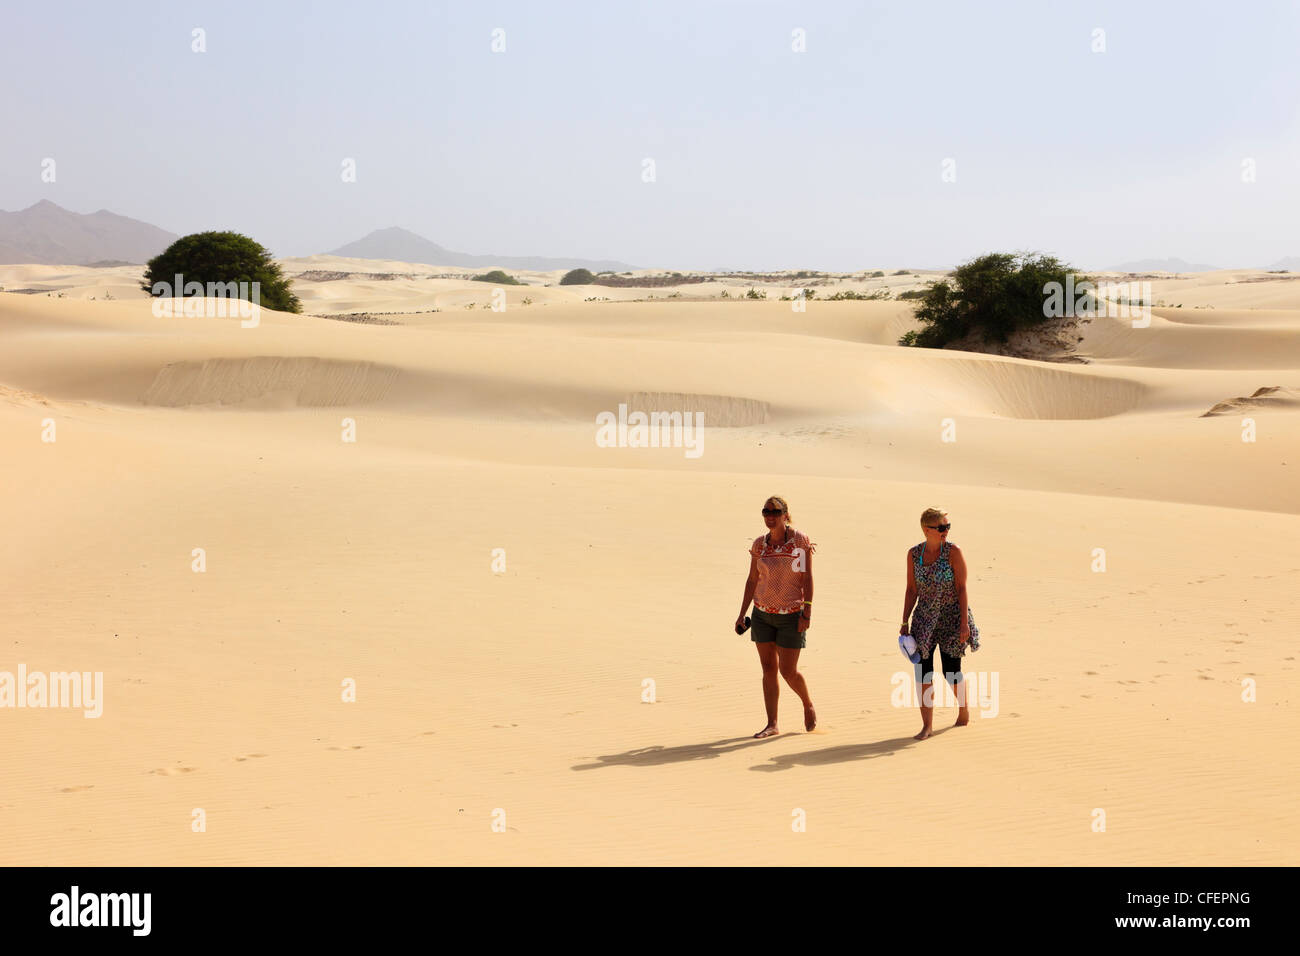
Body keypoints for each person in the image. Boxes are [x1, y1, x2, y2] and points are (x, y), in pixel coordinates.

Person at [736, 496, 815, 738]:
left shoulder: (799, 541)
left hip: (791, 615)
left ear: (785, 514)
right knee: (768, 668)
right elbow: (752, 580)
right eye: (766, 511)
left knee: (788, 671)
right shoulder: (760, 545)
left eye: (775, 511)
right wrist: (741, 613)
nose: (770, 516)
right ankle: (772, 723)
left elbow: (807, 577)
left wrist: (807, 611)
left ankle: (807, 703)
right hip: (761, 614)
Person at [901, 508, 979, 740]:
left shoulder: (953, 552)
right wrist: (904, 620)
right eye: (941, 527)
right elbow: (911, 589)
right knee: (923, 672)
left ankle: (963, 710)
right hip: (924, 619)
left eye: (948, 527)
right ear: (927, 530)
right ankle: (927, 725)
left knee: (951, 671)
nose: (946, 531)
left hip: (952, 617)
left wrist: (964, 623)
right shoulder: (914, 555)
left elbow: (962, 587)